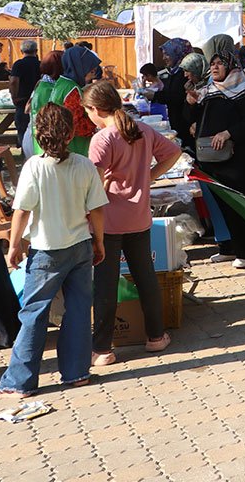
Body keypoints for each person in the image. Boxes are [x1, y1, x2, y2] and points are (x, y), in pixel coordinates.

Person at [0, 103, 108, 397]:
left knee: (34, 313)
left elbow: (21, 210)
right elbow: (96, 210)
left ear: (38, 134)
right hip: (81, 246)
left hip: (46, 250)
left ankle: (19, 381)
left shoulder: (34, 166)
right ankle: (77, 372)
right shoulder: (84, 165)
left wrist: (14, 244)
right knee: (79, 310)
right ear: (71, 134)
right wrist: (99, 241)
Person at [83, 82, 181, 366]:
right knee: (145, 277)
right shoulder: (141, 130)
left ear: (95, 109)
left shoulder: (103, 139)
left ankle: (101, 349)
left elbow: (93, 183)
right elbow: (173, 153)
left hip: (108, 222)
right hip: (138, 216)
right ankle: (156, 336)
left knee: (106, 283)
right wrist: (149, 176)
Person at [187, 34, 245, 269]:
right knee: (223, 205)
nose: (214, 67)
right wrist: (192, 111)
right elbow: (198, 116)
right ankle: (230, 247)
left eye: (219, 63)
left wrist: (227, 133)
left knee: (240, 204)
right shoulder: (209, 89)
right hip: (213, 160)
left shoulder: (241, 86)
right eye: (212, 64)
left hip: (237, 159)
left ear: (230, 65)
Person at [45, 46, 100, 156]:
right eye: (92, 70)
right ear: (80, 67)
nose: (93, 75)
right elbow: (76, 124)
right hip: (75, 148)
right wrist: (99, 125)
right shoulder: (72, 89)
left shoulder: (61, 83)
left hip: (62, 143)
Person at [150, 38, 194, 150]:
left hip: (186, 126)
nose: (164, 58)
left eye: (167, 54)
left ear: (177, 53)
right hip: (176, 122)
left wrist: (154, 96)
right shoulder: (173, 72)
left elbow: (177, 97)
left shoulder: (186, 73)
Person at [10, 40, 39, 147]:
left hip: (22, 100)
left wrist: (14, 96)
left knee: (22, 130)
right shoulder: (40, 64)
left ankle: (24, 153)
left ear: (21, 51)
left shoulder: (19, 64)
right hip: (37, 101)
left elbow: (13, 81)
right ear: (36, 51)